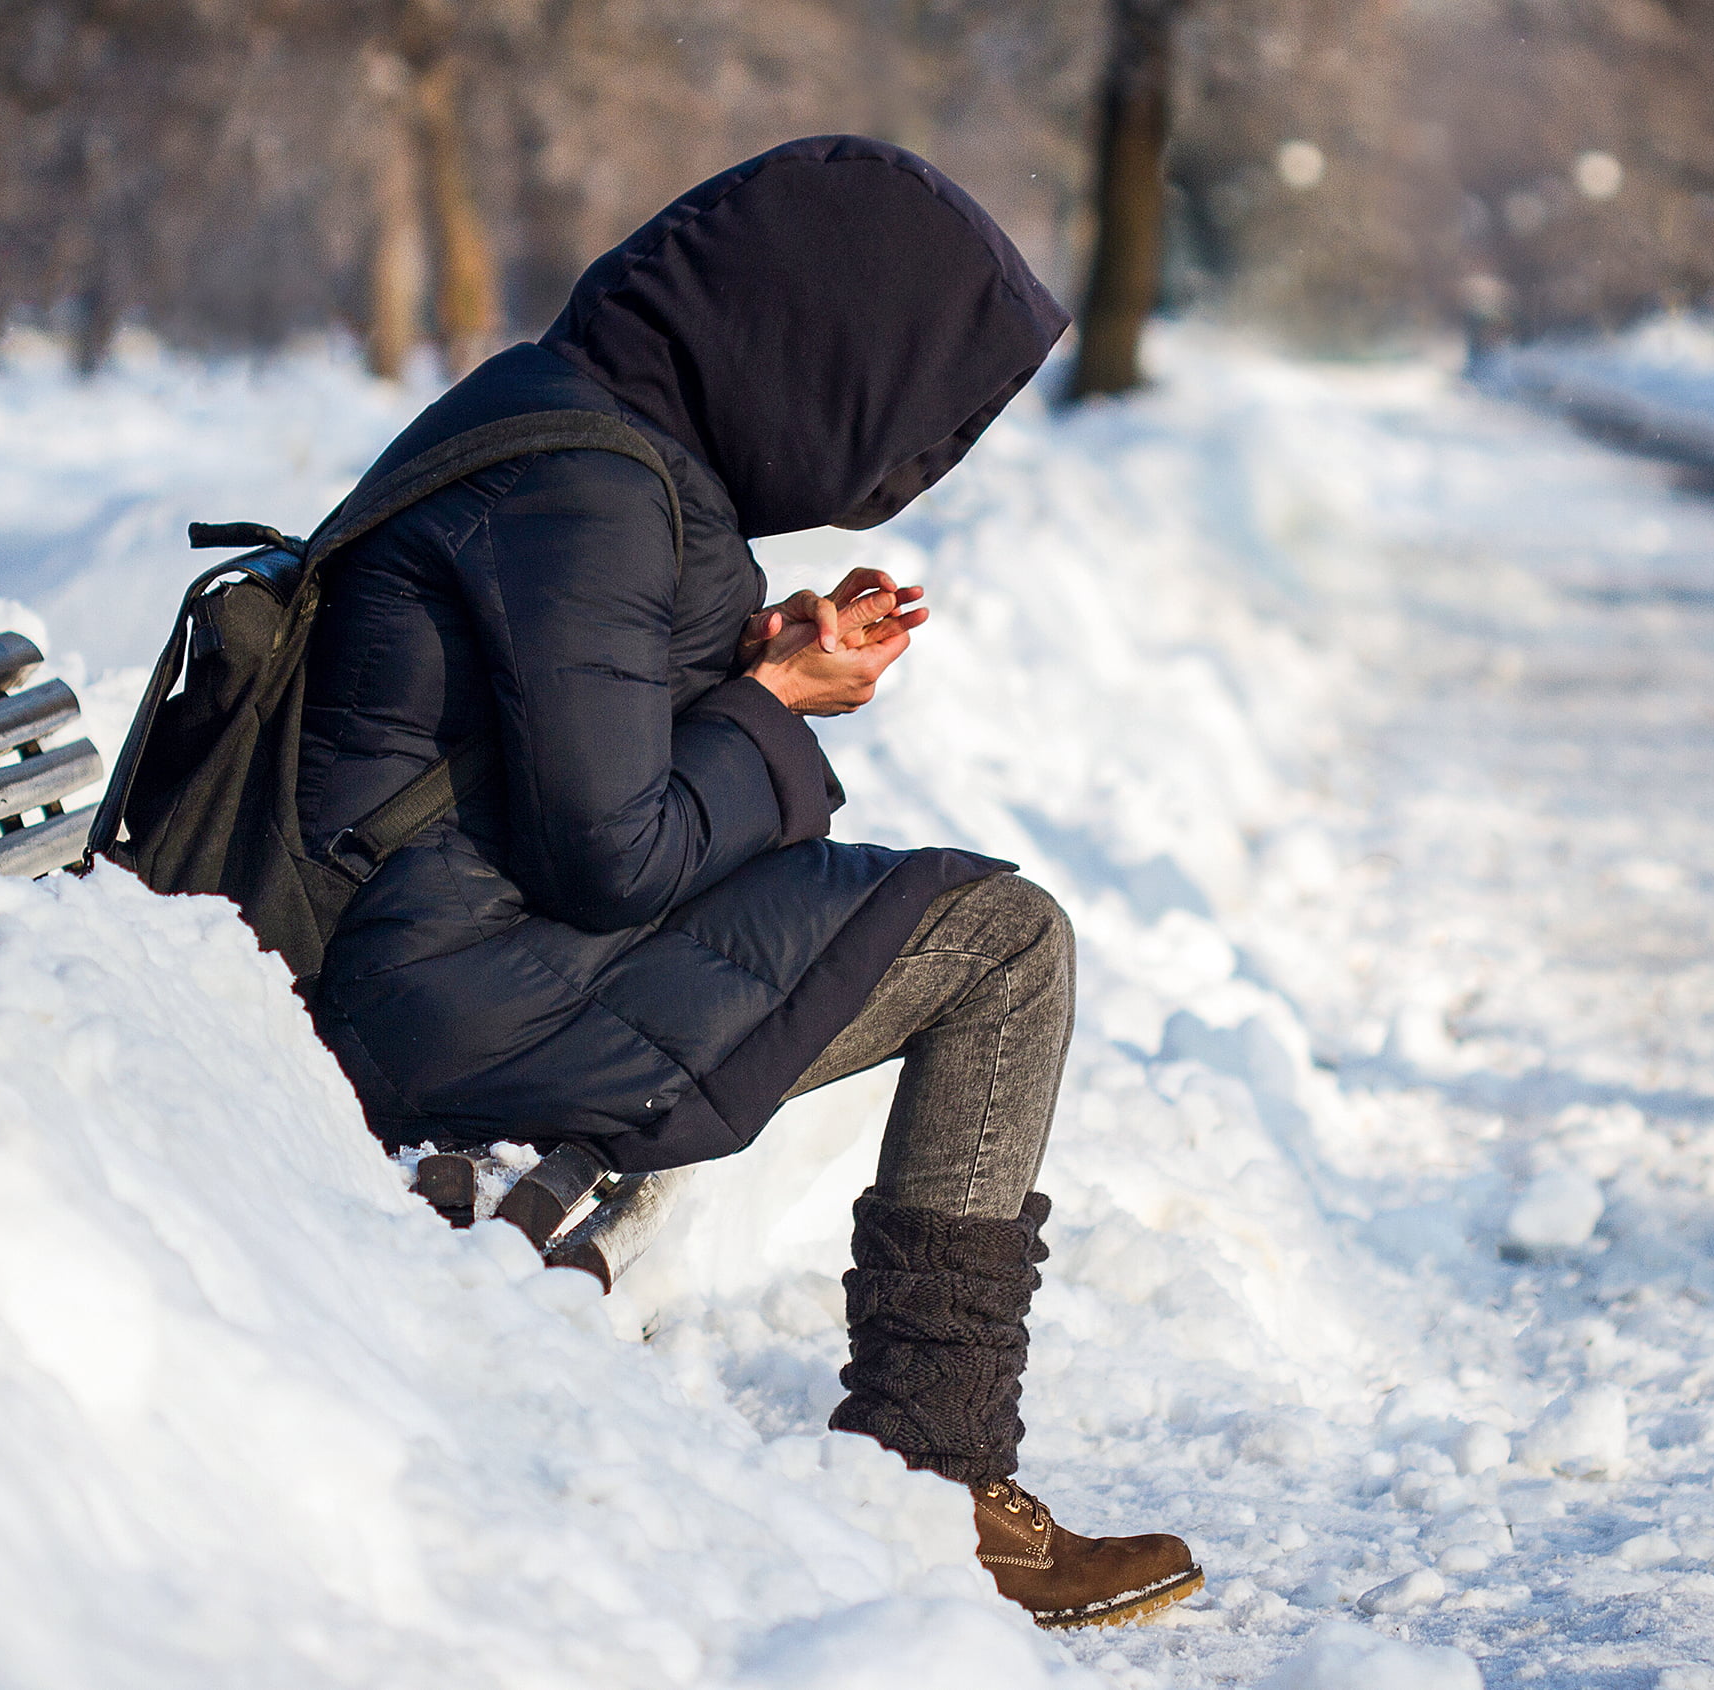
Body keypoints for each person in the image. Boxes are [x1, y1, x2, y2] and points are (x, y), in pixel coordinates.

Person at [294, 135, 1201, 1629]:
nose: (898, 460)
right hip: (456, 999)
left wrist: (756, 660)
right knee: (999, 940)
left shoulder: (596, 435)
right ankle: (933, 1473)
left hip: (470, 951)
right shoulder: (586, 487)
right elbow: (611, 848)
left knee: (975, 928)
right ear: (807, 341)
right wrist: (773, 703)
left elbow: (568, 729)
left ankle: (938, 1462)